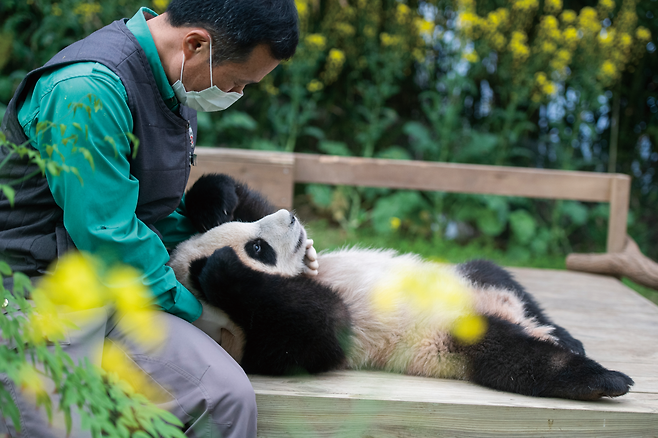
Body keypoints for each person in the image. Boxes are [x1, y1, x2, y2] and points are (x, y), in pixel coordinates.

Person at [0, 1, 299, 437]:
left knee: (225, 400)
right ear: (196, 44)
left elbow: (151, 216)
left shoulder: (175, 82)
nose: (236, 95)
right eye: (238, 82)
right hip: (38, 297)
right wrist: (194, 310)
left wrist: (252, 235)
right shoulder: (87, 89)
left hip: (118, 295)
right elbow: (109, 236)